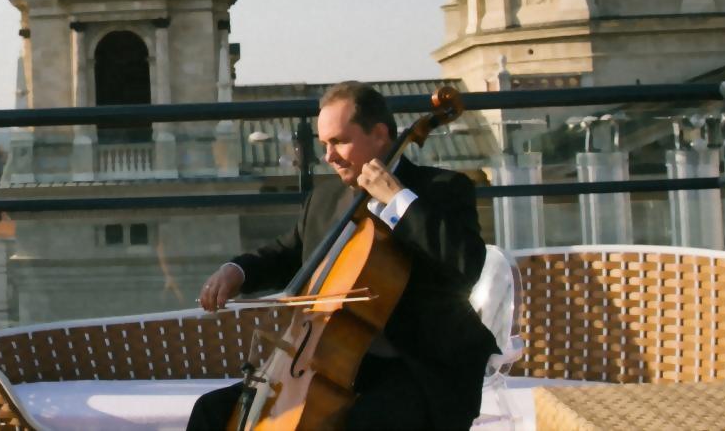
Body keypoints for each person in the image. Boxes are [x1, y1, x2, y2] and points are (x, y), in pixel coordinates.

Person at [185, 82, 496, 431]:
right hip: (332, 364)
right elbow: (287, 252)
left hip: (419, 368)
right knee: (212, 412)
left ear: (379, 135)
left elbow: (466, 264)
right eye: (324, 145)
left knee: (360, 425)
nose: (329, 157)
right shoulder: (325, 198)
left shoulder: (442, 189)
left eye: (339, 142)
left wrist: (399, 201)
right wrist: (236, 272)